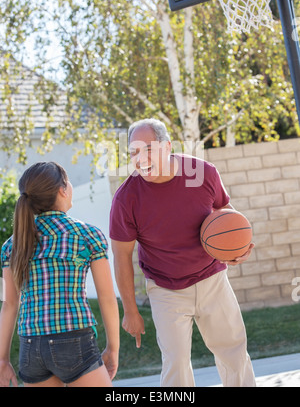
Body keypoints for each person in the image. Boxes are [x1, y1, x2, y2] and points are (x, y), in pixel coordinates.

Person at [110, 118, 256, 387]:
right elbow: (121, 256)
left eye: (149, 149)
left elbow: (225, 213)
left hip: (212, 278)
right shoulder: (126, 198)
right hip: (165, 288)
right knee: (176, 363)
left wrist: (240, 246)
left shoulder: (202, 172)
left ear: (167, 147)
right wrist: (130, 309)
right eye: (133, 152)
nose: (140, 159)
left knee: (233, 353)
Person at [0, 162, 119, 387]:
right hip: (75, 342)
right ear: (63, 190)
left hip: (30, 346)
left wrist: (2, 359)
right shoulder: (87, 235)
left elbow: (9, 305)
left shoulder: (12, 245)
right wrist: (113, 348)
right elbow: (106, 297)